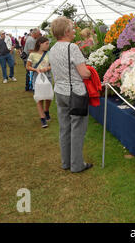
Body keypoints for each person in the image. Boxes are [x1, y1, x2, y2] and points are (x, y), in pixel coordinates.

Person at [49, 17, 93, 173]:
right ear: (66, 31)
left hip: (60, 92)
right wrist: (90, 70)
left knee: (65, 128)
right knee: (77, 129)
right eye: (72, 28)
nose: (74, 31)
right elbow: (84, 74)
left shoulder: (52, 48)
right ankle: (77, 164)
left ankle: (66, 162)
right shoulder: (72, 48)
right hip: (75, 93)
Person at [25, 37, 53, 128]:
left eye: (48, 44)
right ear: (40, 43)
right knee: (39, 97)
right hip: (37, 78)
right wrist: (35, 69)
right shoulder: (32, 54)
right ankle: (42, 119)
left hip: (47, 77)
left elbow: (52, 65)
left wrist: (47, 68)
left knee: (48, 96)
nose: (48, 46)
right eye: (46, 44)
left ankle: (46, 111)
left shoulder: (49, 53)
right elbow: (27, 67)